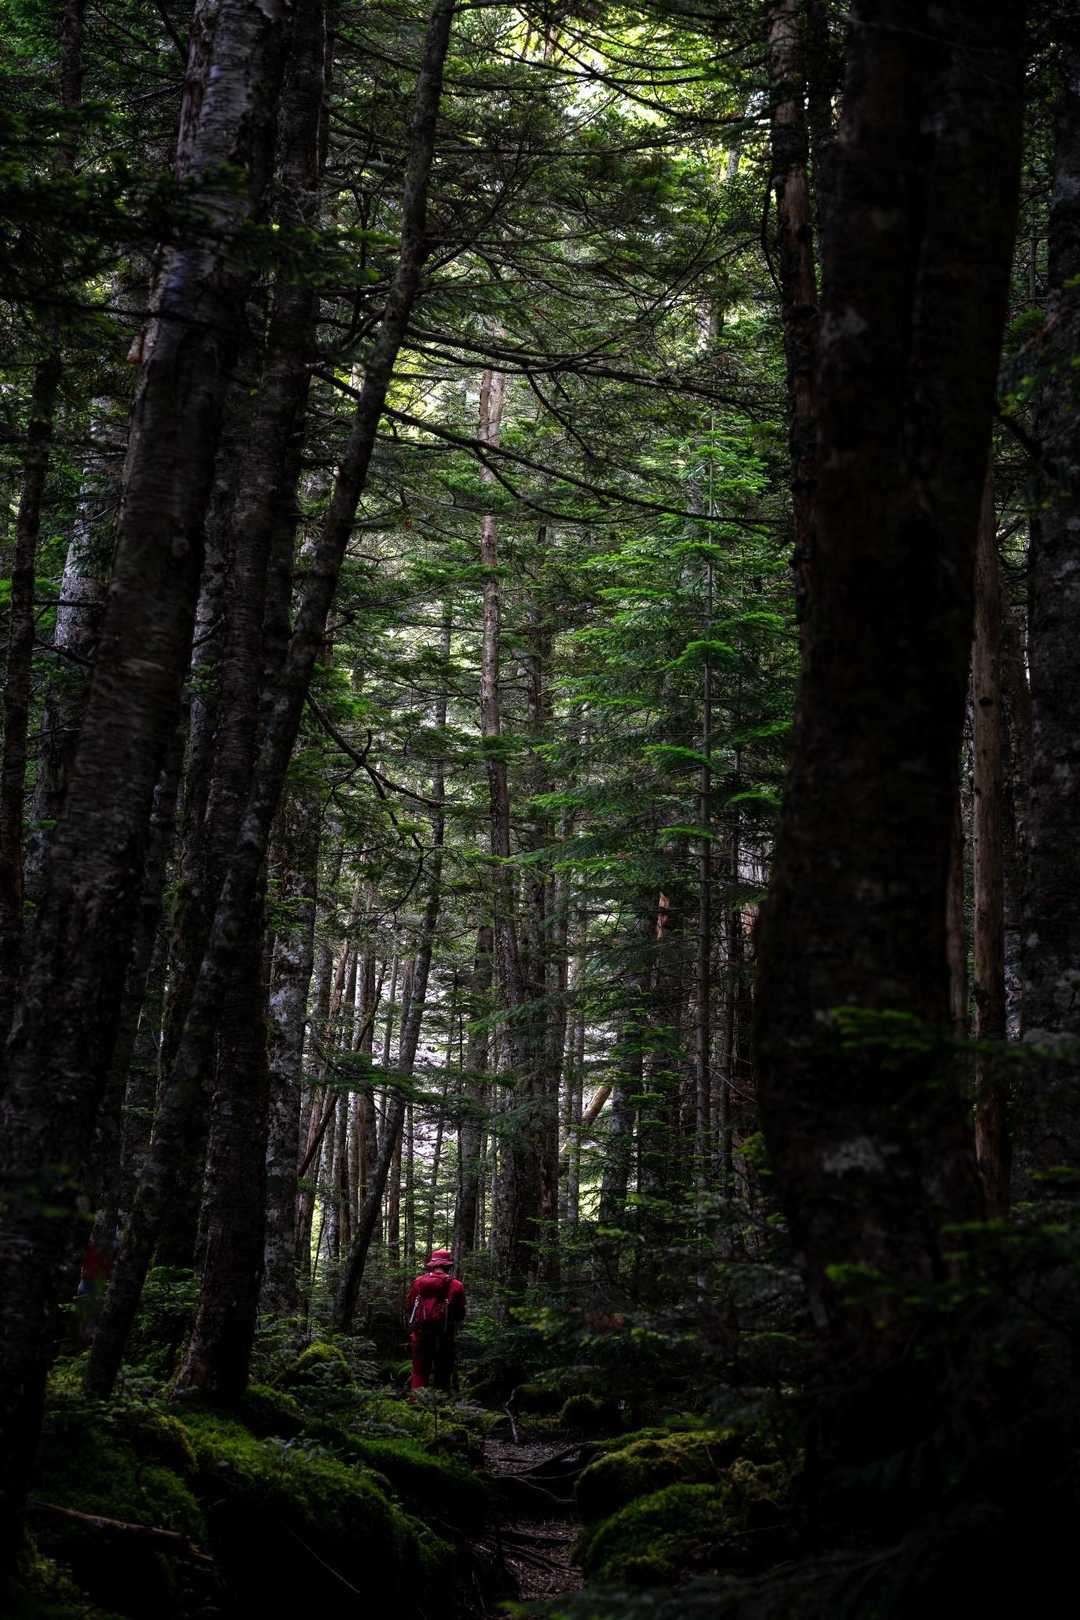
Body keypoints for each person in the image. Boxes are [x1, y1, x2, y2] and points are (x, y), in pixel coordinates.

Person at [406, 1249, 465, 1394]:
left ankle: (416, 1400)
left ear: (432, 1265)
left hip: (420, 1333)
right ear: (448, 1266)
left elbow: (409, 1306)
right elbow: (460, 1313)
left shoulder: (418, 1282)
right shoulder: (456, 1285)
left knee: (419, 1370)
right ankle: (441, 1402)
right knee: (443, 1370)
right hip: (445, 1334)